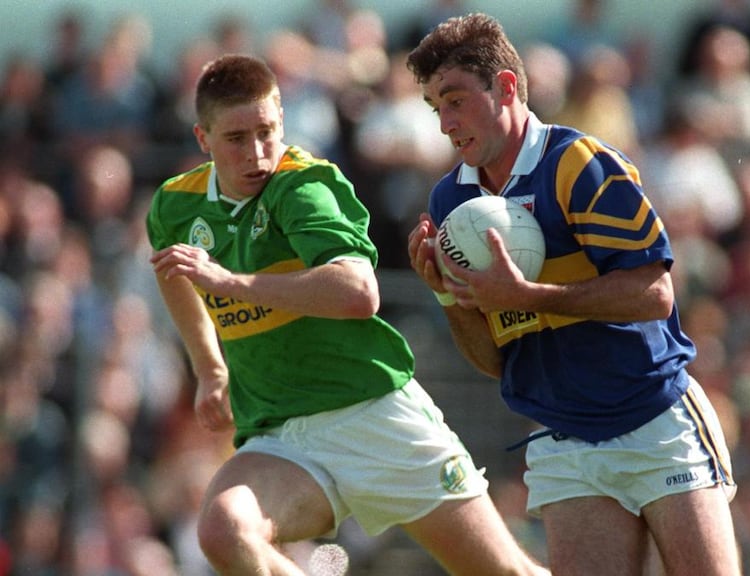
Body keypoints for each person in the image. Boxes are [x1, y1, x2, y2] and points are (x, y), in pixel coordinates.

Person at [145, 53, 547, 576]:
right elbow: (173, 272)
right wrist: (209, 368)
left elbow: (359, 291)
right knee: (224, 531)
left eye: (267, 132)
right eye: (236, 138)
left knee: (503, 572)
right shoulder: (176, 206)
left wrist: (230, 281)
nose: (258, 153)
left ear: (283, 121)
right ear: (203, 138)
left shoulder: (303, 186)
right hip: (281, 434)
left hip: (374, 416)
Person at [405, 13, 742, 576]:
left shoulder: (578, 164)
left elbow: (654, 293)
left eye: (456, 100)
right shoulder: (449, 204)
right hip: (563, 439)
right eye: (435, 107)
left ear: (506, 86)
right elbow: (494, 360)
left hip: (654, 417)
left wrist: (530, 294)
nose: (444, 123)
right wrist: (447, 296)